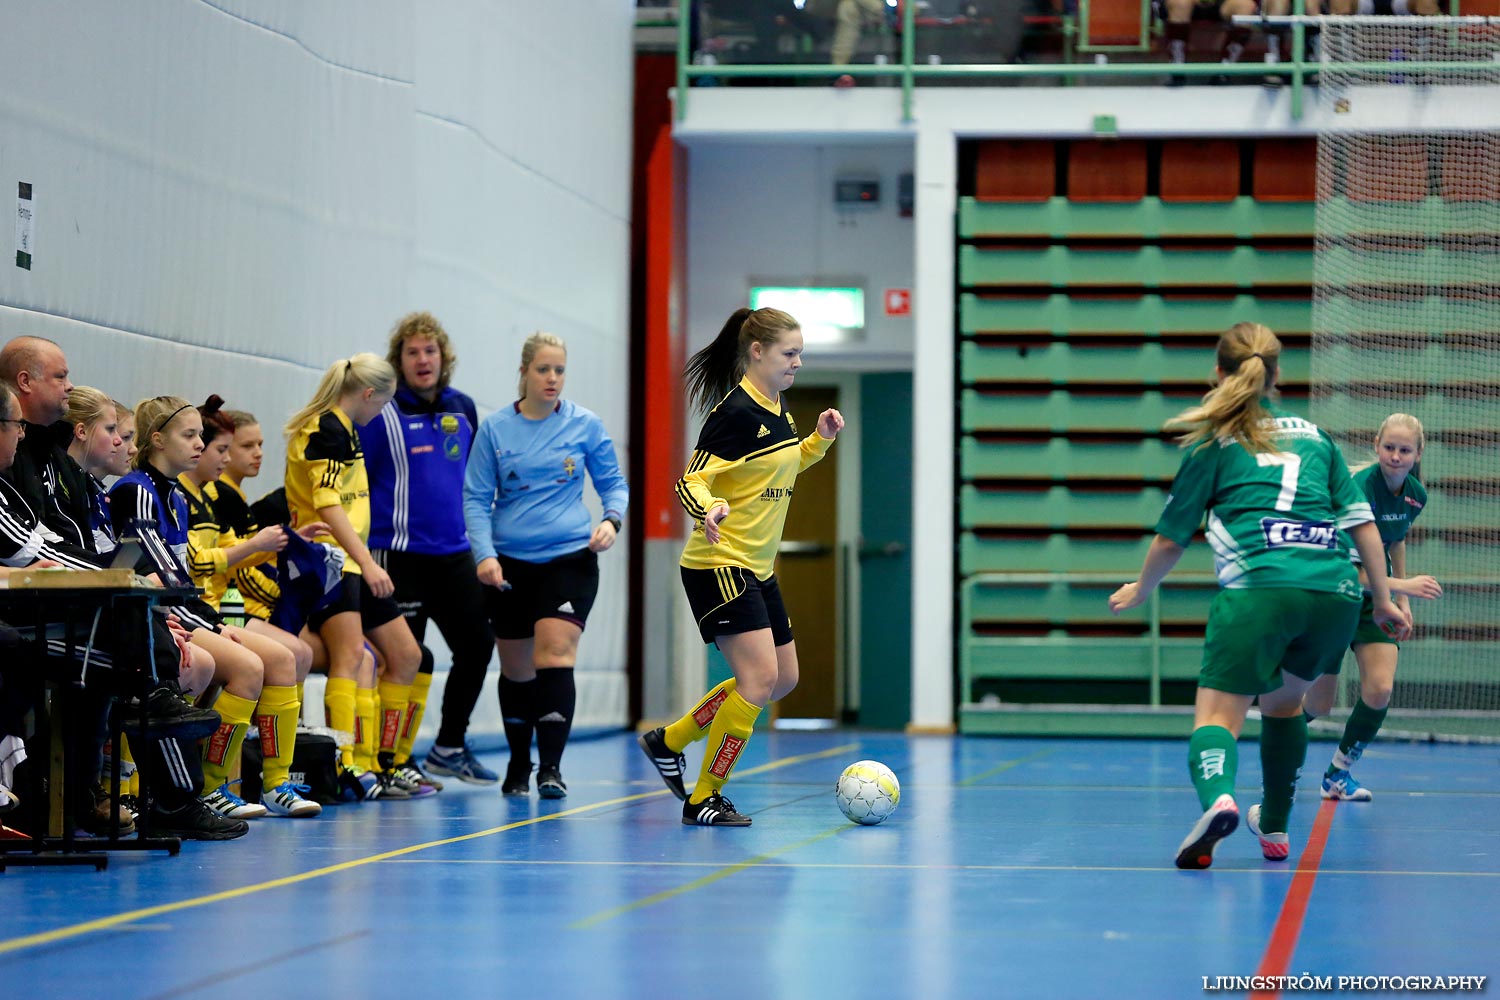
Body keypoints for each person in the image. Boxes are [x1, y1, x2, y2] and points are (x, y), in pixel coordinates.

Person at [1107, 323, 1409, 869]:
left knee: (1216, 719)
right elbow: (1362, 524)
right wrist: (1384, 600)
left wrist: (1140, 589)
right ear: (1278, 375)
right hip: (1336, 593)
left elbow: (1172, 540)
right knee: (1284, 705)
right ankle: (1274, 828)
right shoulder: (1317, 438)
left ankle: (1219, 799)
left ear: (1219, 373)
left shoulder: (1214, 442)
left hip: (1261, 588)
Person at [637, 307, 844, 826]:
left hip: (757, 566)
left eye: (800, 354)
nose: (797, 363)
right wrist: (708, 508)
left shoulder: (778, 406)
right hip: (718, 562)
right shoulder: (733, 414)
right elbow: (691, 480)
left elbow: (783, 465)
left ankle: (672, 739)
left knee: (782, 680)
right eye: (789, 354)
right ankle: (703, 796)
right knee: (757, 679)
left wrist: (817, 440)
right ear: (757, 352)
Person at [462, 332, 629, 798]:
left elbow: (614, 484)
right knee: (516, 669)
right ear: (524, 372)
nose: (552, 378)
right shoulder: (495, 430)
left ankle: (551, 768)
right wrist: (485, 555)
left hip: (569, 560)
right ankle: (519, 762)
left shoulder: (586, 425)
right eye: (543, 370)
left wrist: (611, 521)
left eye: (559, 370)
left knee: (555, 654)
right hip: (509, 564)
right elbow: (475, 497)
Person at [360, 312, 495, 787]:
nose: (423, 360)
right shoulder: (381, 414)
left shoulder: (464, 408)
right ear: (399, 361)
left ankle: (449, 747)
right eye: (413, 352)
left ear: (444, 357)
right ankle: (388, 759)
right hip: (399, 555)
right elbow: (360, 480)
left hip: (456, 554)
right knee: (405, 658)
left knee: (478, 645)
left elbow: (476, 481)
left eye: (431, 351)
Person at [284, 354, 425, 800]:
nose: (379, 413)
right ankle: (347, 762)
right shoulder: (324, 429)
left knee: (406, 655)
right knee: (350, 658)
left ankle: (386, 761)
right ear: (368, 395)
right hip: (332, 563)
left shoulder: (345, 429)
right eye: (381, 405)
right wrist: (367, 562)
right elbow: (328, 506)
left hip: (352, 561)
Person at [180, 395, 326, 817]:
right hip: (200, 610)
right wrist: (257, 546)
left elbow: (226, 551)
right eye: (222, 449)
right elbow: (195, 563)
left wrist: (286, 542)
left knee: (287, 657)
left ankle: (277, 783)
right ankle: (215, 785)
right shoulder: (177, 496)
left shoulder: (205, 496)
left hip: (209, 609)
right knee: (268, 661)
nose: (226, 459)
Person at [1303, 413, 1441, 801]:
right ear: (1377, 445)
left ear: (1418, 453)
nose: (1395, 456)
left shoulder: (1416, 494)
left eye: (1404, 450)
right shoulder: (1357, 489)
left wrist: (1400, 601)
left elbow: (1395, 541)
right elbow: (1353, 574)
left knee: (1379, 689)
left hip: (1375, 602)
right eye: (1389, 448)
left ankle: (1338, 773)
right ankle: (1280, 757)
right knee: (1319, 705)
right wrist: (1404, 586)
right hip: (1336, 597)